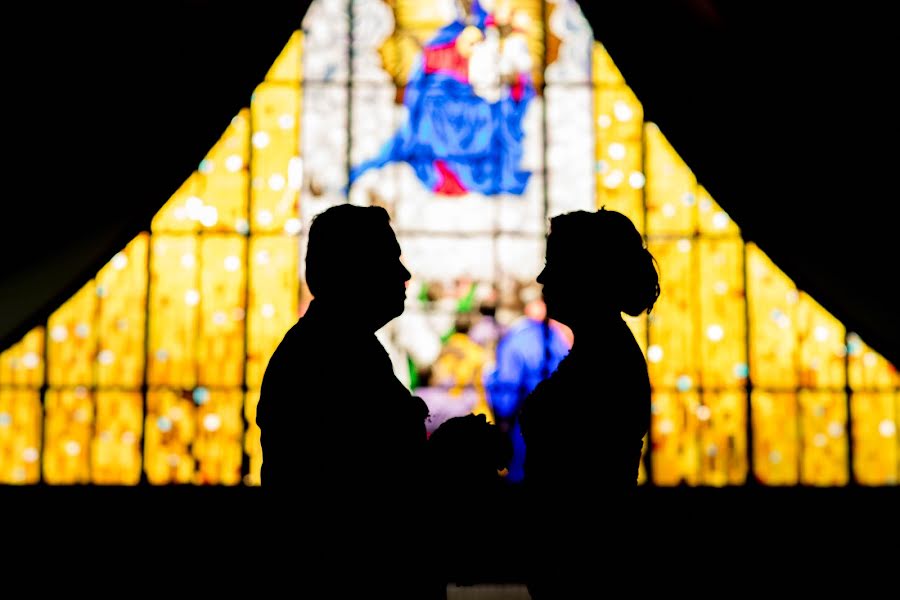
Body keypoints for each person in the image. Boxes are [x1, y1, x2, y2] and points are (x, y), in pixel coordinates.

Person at [255, 204, 507, 597]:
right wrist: (449, 453)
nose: (404, 275)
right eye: (390, 260)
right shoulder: (330, 358)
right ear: (355, 271)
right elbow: (364, 498)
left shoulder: (343, 347)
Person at [519, 208, 660, 597]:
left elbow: (578, 490)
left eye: (555, 264)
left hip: (584, 571)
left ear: (588, 274)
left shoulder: (605, 363)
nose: (543, 278)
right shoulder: (604, 352)